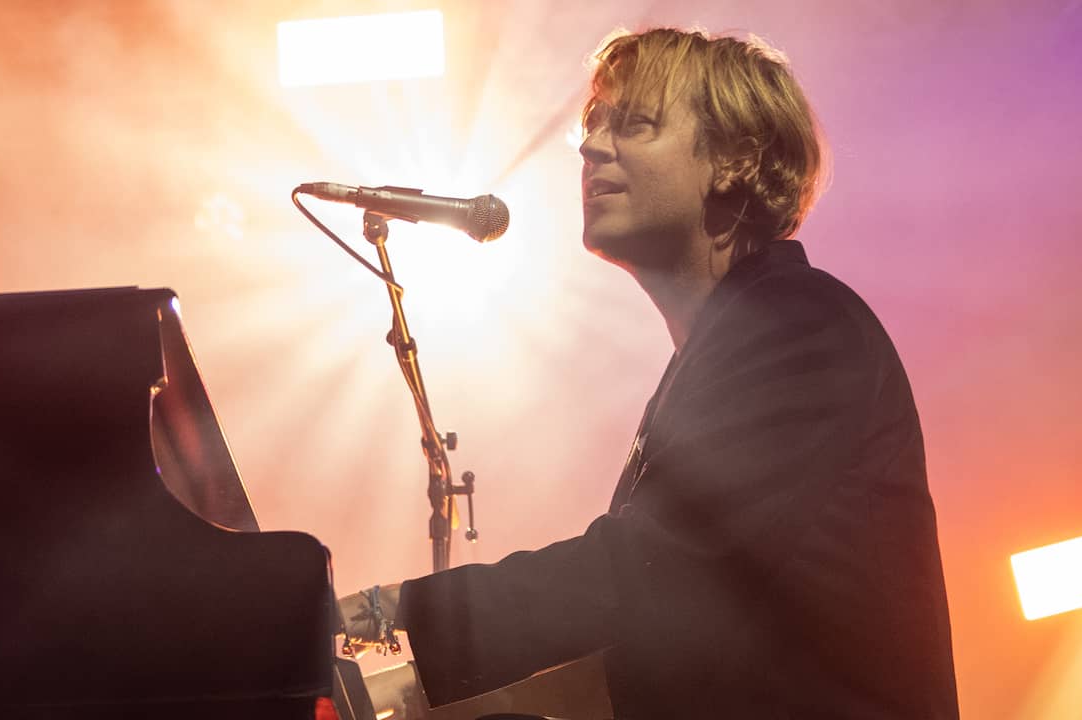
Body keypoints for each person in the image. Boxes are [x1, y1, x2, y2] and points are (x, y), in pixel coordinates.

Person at [339, 27, 960, 719]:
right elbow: (653, 643)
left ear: (735, 161)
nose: (590, 147)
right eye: (595, 124)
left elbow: (647, 570)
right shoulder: (720, 349)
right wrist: (394, 697)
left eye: (635, 123)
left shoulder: (800, 323)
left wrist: (382, 613)